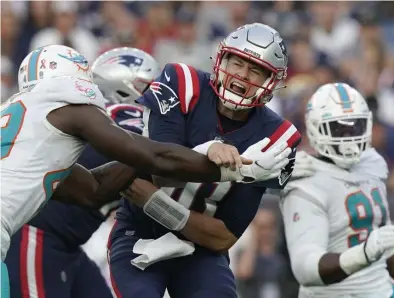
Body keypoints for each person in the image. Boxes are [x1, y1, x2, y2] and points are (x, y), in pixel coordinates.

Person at [0, 44, 290, 297]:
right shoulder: (87, 114)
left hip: (61, 244)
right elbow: (156, 156)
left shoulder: (28, 127)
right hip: (38, 237)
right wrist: (230, 169)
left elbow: (93, 191)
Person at [108, 23, 304, 298]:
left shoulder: (277, 137)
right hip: (140, 232)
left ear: (271, 82)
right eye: (237, 63)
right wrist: (210, 153)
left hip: (199, 250)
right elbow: (161, 170)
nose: (242, 76)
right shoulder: (181, 82)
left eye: (255, 70)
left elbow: (224, 236)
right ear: (221, 59)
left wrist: (156, 202)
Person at [4, 47, 159, 298]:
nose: (156, 98)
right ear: (123, 87)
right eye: (149, 88)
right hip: (37, 236)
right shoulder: (116, 118)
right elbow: (152, 155)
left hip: (66, 245)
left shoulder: (87, 116)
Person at [280, 83, 394, 298]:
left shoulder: (371, 163)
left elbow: (387, 249)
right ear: (316, 128)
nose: (349, 137)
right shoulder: (305, 178)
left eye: (355, 127)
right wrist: (363, 253)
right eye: (339, 128)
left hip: (381, 290)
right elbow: (306, 269)